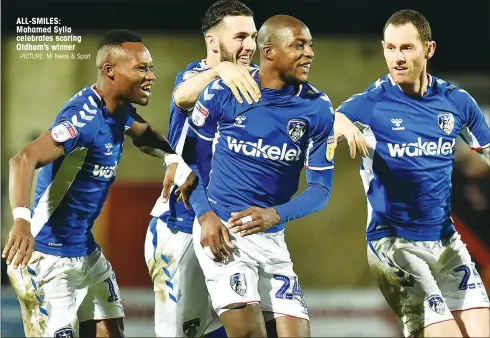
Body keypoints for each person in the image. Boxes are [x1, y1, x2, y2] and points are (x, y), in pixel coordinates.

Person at [2, 29, 195, 338]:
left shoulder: (119, 111)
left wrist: (172, 159)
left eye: (151, 67)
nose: (151, 76)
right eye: (141, 68)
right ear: (110, 70)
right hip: (45, 255)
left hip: (86, 252)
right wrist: (21, 222)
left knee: (112, 330)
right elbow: (23, 159)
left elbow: (143, 133)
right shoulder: (82, 119)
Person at [334, 9, 490, 338]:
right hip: (394, 245)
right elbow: (329, 120)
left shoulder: (457, 102)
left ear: (428, 49)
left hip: (446, 244)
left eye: (406, 48)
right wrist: (342, 124)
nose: (397, 57)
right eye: (390, 48)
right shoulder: (372, 103)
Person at [187, 15, 336, 338]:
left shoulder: (318, 109)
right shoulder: (223, 93)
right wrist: (205, 215)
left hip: (272, 239)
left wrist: (275, 215)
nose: (309, 53)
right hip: (226, 233)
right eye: (298, 45)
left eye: (309, 45)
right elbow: (189, 162)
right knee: (251, 334)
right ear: (269, 52)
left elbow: (321, 190)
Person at [143, 1, 260, 337]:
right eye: (240, 37)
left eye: (252, 36)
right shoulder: (195, 76)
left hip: (234, 229)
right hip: (181, 226)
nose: (249, 45)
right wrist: (221, 70)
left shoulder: (257, 82)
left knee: (257, 325)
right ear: (213, 42)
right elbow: (182, 97)